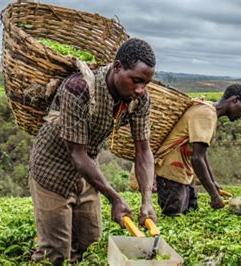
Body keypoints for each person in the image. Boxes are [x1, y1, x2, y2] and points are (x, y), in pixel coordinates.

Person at [28, 38, 157, 264]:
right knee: (54, 251)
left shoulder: (140, 99)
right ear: (117, 67)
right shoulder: (79, 89)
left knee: (91, 245)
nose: (140, 89)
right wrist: (115, 198)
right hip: (51, 171)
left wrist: (147, 200)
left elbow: (143, 151)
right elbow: (76, 153)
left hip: (87, 174)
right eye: (136, 80)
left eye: (145, 83)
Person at [154, 84, 241, 216]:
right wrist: (214, 196)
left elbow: (201, 154)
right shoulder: (206, 114)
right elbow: (197, 158)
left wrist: (213, 183)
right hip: (172, 172)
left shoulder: (209, 110)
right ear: (234, 100)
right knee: (174, 217)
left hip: (184, 173)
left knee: (190, 214)